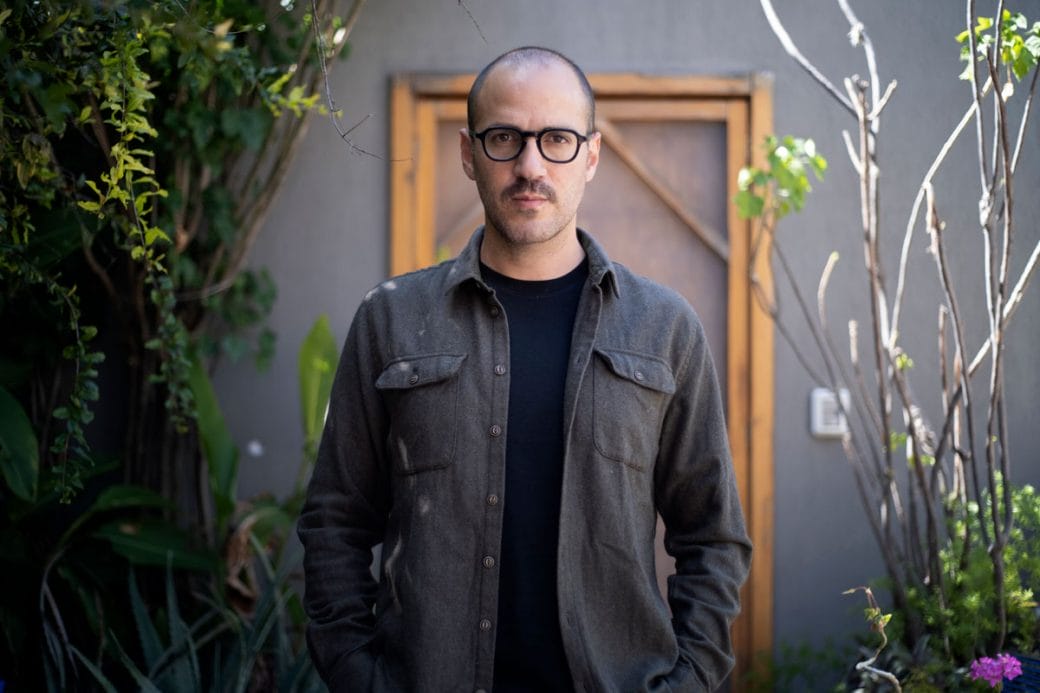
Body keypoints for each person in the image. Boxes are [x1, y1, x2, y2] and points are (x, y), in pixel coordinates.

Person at [297, 46, 753, 693]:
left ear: (590, 156)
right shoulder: (391, 321)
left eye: (558, 139)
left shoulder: (664, 328)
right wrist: (358, 673)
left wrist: (689, 679)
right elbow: (334, 521)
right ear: (468, 152)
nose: (530, 166)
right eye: (505, 138)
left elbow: (713, 535)